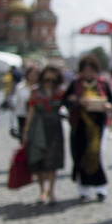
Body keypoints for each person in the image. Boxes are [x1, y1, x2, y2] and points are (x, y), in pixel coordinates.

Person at [63, 54, 112, 202]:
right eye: (85, 70)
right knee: (80, 156)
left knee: (96, 154)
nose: (88, 73)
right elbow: (65, 101)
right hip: (80, 126)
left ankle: (100, 188)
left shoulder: (102, 84)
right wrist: (78, 101)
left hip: (97, 126)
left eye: (91, 70)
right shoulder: (75, 84)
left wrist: (108, 105)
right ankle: (84, 190)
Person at [23, 66, 65, 205]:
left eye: (52, 80)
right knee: (37, 160)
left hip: (54, 129)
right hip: (38, 129)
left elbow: (68, 107)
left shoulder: (60, 92)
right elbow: (31, 111)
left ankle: (51, 191)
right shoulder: (36, 92)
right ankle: (42, 190)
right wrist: (26, 130)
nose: (49, 82)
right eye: (47, 79)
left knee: (53, 161)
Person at [13, 66, 39, 140]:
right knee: (23, 136)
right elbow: (15, 98)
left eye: (35, 75)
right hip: (22, 114)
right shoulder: (20, 87)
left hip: (35, 116)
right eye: (31, 75)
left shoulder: (39, 88)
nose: (32, 77)